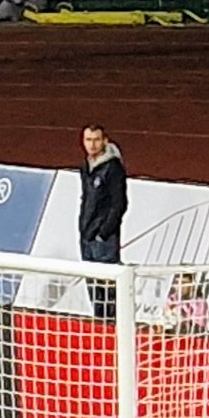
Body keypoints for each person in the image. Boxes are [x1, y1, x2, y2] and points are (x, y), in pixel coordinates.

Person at [78, 124, 127, 320]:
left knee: (108, 288)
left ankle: (113, 325)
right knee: (93, 287)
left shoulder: (112, 168)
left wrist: (103, 233)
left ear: (105, 141)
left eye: (96, 140)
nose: (92, 144)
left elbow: (119, 203)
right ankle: (99, 323)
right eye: (88, 140)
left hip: (103, 239)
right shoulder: (86, 166)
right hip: (86, 236)